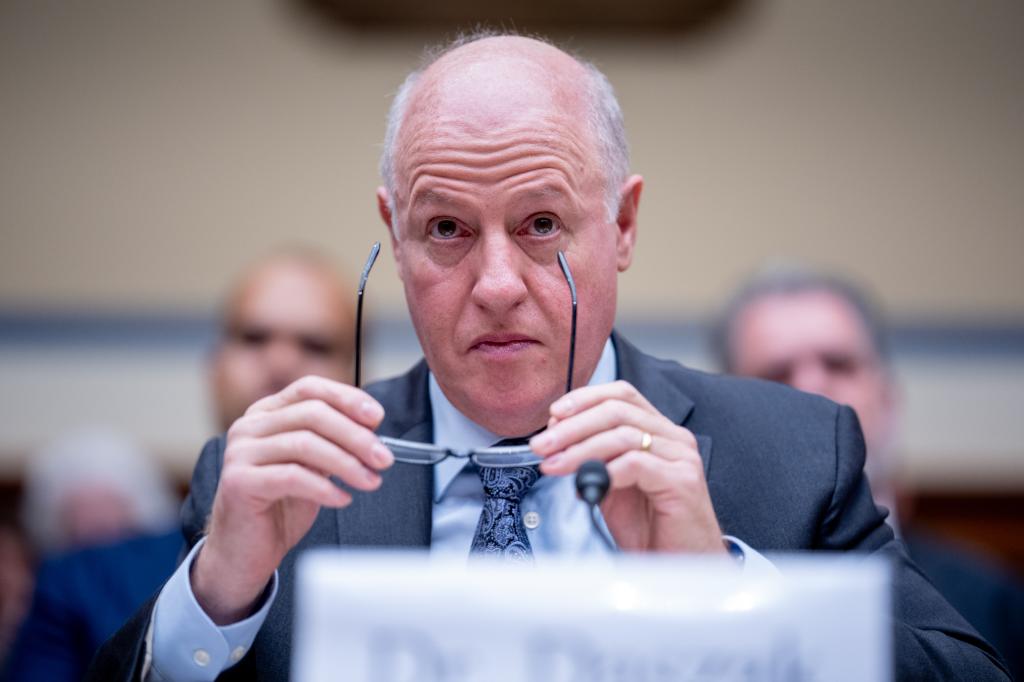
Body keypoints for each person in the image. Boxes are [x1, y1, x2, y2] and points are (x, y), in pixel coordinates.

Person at [90, 33, 1010, 681]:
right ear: (393, 237)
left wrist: (730, 598)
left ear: (622, 225)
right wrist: (210, 604)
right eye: (446, 228)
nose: (496, 282)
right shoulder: (277, 479)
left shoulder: (796, 457)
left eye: (540, 226)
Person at [5, 250, 356, 682]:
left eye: (315, 345)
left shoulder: (386, 573)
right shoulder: (80, 580)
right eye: (254, 337)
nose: (281, 363)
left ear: (359, 379)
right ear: (213, 368)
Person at [712, 266, 1024, 679]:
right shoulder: (698, 591)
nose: (812, 390)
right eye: (776, 373)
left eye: (839, 365)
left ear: (889, 397)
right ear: (727, 414)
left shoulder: (993, 601)